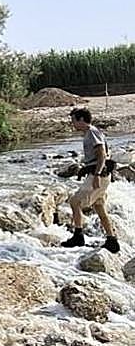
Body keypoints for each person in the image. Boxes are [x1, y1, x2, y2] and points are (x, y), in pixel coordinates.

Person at [61, 107, 119, 253]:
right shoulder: (90, 133)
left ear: (81, 120)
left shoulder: (92, 132)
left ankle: (78, 236)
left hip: (98, 174)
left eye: (73, 120)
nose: (72, 123)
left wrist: (97, 175)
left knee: (74, 202)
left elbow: (102, 155)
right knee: (99, 207)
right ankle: (112, 240)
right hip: (99, 174)